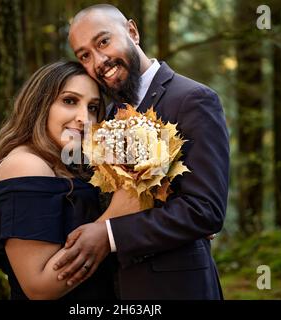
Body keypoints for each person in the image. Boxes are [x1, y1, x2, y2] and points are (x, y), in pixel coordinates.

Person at [53, 4, 230, 299]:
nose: (99, 61)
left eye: (103, 41)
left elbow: (206, 210)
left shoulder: (192, 99)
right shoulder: (105, 117)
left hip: (177, 288)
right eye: (85, 55)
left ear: (132, 32)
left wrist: (110, 235)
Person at [0, 61, 140, 300]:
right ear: (39, 105)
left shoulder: (71, 165)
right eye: (69, 101)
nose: (83, 118)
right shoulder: (26, 165)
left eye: (93, 107)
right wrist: (114, 216)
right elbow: (40, 287)